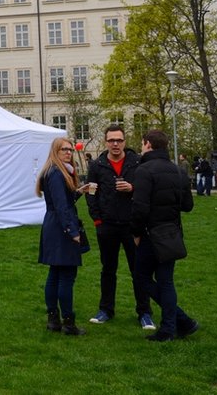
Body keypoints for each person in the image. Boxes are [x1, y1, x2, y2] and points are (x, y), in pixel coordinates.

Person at [84, 125, 155, 330]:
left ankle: (144, 312)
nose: (115, 144)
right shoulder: (97, 165)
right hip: (106, 226)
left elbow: (148, 190)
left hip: (132, 226)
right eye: (111, 140)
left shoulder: (137, 163)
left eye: (119, 140)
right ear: (105, 142)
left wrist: (132, 188)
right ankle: (106, 309)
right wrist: (97, 220)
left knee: (139, 271)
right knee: (108, 269)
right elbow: (91, 194)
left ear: (124, 142)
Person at [131, 129, 198, 341]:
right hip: (171, 232)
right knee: (165, 281)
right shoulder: (178, 171)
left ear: (148, 144)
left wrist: (136, 233)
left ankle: (176, 323)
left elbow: (140, 207)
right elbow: (187, 205)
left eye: (142, 143)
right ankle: (176, 325)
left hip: (152, 233)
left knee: (141, 276)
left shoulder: (144, 170)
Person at [37, 137, 87, 336]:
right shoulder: (56, 173)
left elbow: (63, 201)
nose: (69, 152)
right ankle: (67, 322)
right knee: (65, 275)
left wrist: (78, 192)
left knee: (56, 274)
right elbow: (60, 206)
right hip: (60, 227)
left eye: (70, 149)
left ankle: (54, 320)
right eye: (64, 149)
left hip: (54, 225)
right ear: (55, 152)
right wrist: (72, 231)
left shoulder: (56, 172)